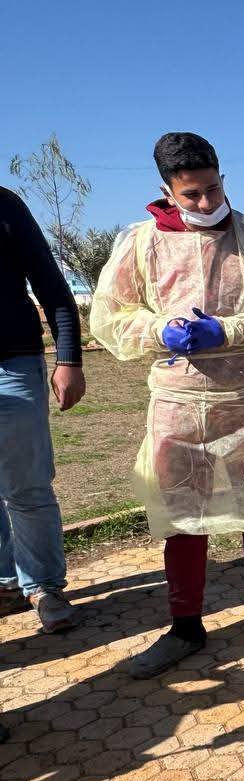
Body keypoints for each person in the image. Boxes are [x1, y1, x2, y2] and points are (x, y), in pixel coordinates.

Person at [90, 131, 244, 679]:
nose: (207, 202)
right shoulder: (142, 244)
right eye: (192, 194)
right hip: (178, 400)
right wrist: (160, 329)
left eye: (214, 189)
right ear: (167, 191)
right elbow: (110, 316)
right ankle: (185, 625)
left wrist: (227, 330)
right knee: (182, 513)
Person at [0, 186, 83, 636]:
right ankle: (5, 584)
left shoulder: (5, 206)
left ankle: (44, 587)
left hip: (10, 363)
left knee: (26, 485)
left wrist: (68, 358)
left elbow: (51, 285)